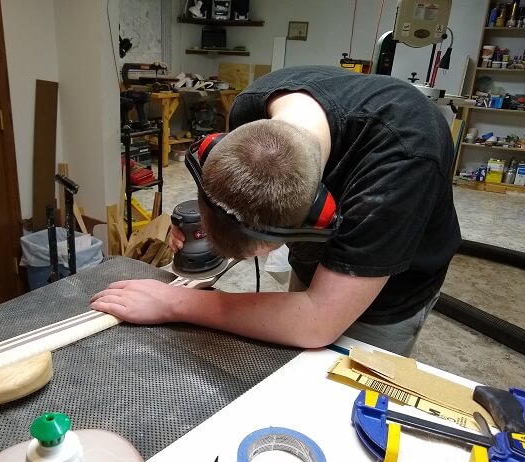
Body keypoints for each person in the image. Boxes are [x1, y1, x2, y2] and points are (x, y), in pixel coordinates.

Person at [90, 65, 461, 356]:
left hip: (391, 291)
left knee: (344, 404)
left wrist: (176, 302)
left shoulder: (404, 161)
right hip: (318, 250)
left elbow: (318, 322)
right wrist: (201, 225)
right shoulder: (254, 107)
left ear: (319, 218)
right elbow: (240, 199)